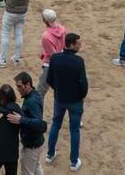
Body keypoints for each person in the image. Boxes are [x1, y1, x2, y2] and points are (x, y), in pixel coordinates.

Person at [45, 32, 87, 171]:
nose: (80, 46)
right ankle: (74, 162)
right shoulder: (78, 61)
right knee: (74, 130)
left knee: (55, 124)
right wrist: (81, 96)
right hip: (75, 101)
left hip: (60, 98)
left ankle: (50, 154)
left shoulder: (55, 58)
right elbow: (83, 84)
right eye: (78, 43)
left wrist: (57, 91)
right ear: (71, 45)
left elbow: (49, 79)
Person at [11, 72, 47, 175]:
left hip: (32, 145)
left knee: (27, 171)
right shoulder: (34, 95)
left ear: (28, 85)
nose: (18, 89)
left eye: (19, 86)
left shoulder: (31, 101)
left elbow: (39, 123)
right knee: (36, 166)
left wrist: (21, 120)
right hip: (36, 142)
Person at [38, 9, 66, 103]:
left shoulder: (46, 36)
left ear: (45, 20)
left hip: (50, 65)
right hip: (62, 61)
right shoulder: (62, 29)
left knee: (40, 94)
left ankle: (37, 117)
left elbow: (53, 55)